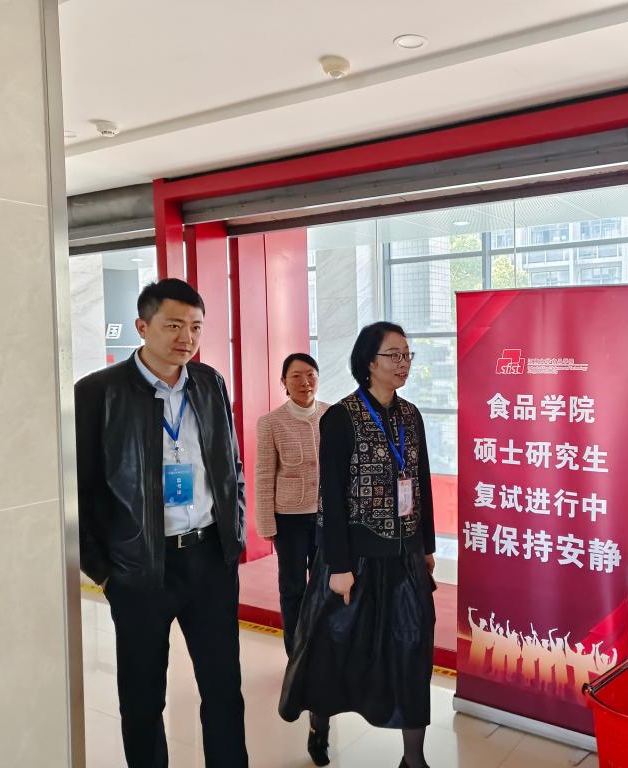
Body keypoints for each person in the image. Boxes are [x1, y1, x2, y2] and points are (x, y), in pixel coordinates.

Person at [75, 278, 248, 768]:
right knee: (143, 697)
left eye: (196, 327)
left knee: (223, 689)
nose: (186, 338)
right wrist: (104, 571)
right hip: (139, 568)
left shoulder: (210, 383)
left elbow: (230, 466)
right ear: (142, 325)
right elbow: (79, 492)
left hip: (210, 560)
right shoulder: (97, 393)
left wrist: (232, 536)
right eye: (173, 325)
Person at [279, 322, 436, 768]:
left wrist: (426, 545)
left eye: (407, 355)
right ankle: (319, 727)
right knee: (333, 650)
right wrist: (339, 566)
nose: (403, 363)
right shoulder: (341, 417)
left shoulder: (411, 416)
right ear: (368, 362)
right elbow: (330, 495)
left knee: (412, 650)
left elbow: (420, 482)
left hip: (404, 558)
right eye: (394, 355)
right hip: (354, 561)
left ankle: (413, 759)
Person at [254, 352, 331, 765]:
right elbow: (264, 474)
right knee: (293, 589)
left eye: (310, 375)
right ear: (284, 382)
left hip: (327, 518)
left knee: (326, 587)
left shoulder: (334, 415)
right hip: (290, 518)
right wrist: (266, 523)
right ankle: (295, 657)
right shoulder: (271, 422)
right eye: (297, 376)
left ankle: (323, 651)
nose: (305, 382)